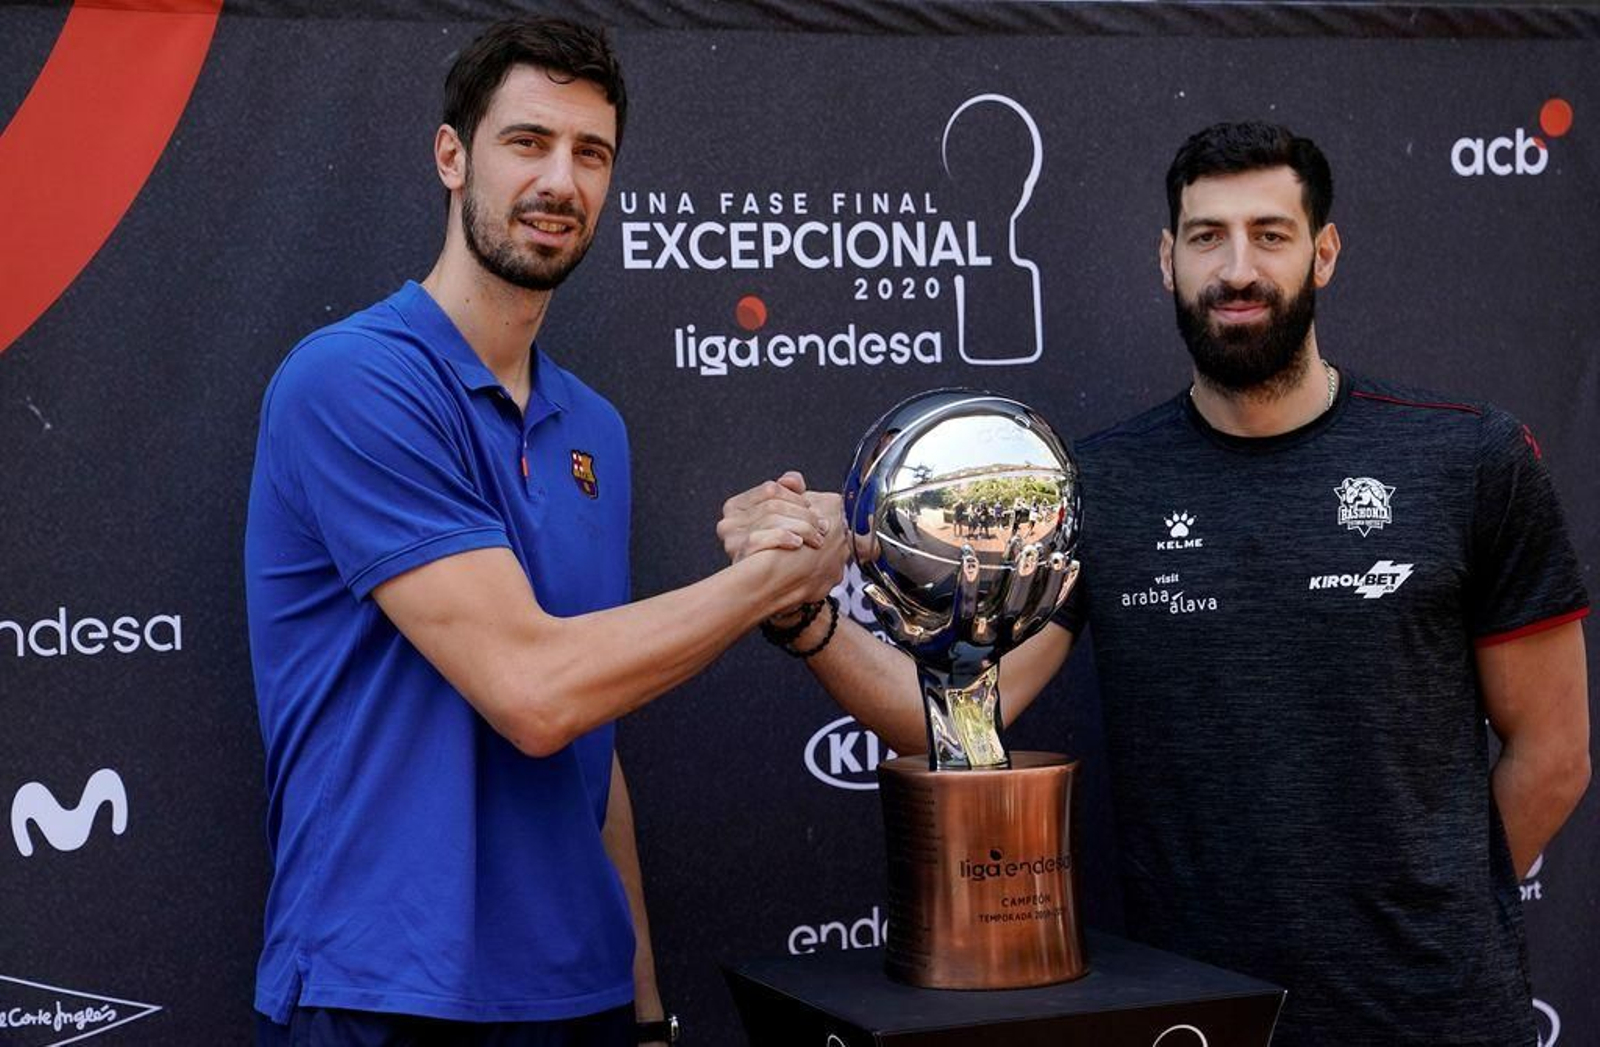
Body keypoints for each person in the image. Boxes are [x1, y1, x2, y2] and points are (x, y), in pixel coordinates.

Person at [721, 122, 1591, 1046]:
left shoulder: (1465, 457)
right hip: (1190, 1016)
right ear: (1166, 260)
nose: (1238, 268)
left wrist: (1431, 912)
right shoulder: (1103, 486)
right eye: (1207, 236)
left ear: (1324, 253)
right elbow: (965, 715)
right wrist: (803, 615)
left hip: (1435, 1015)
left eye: (1271, 233)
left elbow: (1554, 752)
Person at [244, 17, 845, 1046]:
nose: (559, 181)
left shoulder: (594, 430)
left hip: (580, 997)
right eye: (527, 141)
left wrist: (647, 1008)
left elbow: (588, 731)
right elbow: (534, 691)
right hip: (384, 990)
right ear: (451, 156)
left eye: (590, 153)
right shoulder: (352, 380)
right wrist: (776, 578)